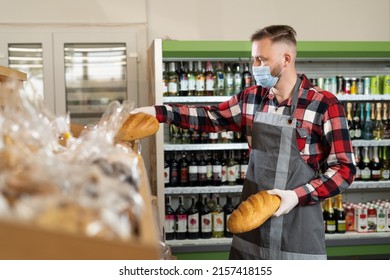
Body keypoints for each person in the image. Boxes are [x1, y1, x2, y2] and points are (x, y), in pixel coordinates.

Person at [132, 25, 356, 260]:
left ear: (286, 59)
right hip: (252, 228)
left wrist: (296, 196)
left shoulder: (323, 104)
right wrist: (158, 112)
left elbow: (344, 168)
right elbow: (210, 117)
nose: (256, 67)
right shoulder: (251, 98)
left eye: (261, 59)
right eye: (253, 60)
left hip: (298, 230)